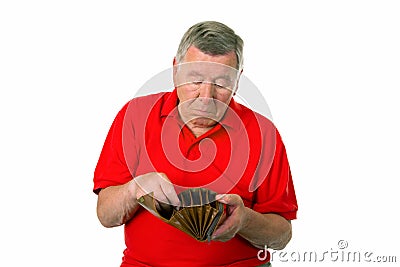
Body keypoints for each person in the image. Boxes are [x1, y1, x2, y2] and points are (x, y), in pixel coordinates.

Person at [93, 21, 298, 267]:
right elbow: (106, 216)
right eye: (195, 80)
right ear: (175, 70)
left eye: (221, 83)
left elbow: (281, 237)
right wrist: (134, 189)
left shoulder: (265, 134)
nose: (206, 97)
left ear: (238, 80)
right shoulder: (134, 116)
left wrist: (244, 220)